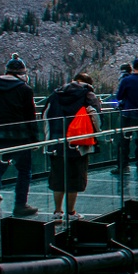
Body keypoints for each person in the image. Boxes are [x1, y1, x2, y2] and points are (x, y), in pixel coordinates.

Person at [0, 53, 40, 220]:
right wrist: (34, 139)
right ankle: (20, 205)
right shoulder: (25, 89)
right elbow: (30, 116)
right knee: (24, 170)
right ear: (22, 74)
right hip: (19, 136)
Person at [44, 72, 101, 223]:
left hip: (56, 142)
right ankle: (71, 212)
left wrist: (47, 140)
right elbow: (96, 116)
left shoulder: (56, 93)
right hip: (78, 143)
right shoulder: (88, 95)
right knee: (75, 178)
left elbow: (45, 115)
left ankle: (57, 212)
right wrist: (97, 134)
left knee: (58, 177)